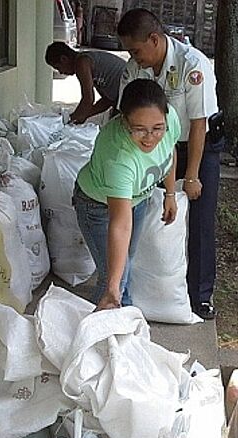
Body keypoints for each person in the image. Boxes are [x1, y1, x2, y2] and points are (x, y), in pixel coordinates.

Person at [116, 8, 223, 320]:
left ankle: (200, 296)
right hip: (158, 146)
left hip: (198, 145)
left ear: (154, 39)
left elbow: (199, 124)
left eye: (136, 50)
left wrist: (191, 176)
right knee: (150, 213)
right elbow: (125, 114)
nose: (133, 58)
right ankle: (144, 288)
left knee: (200, 220)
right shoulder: (135, 68)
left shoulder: (193, 65)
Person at [73, 79, 180, 310]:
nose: (150, 137)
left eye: (157, 128)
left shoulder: (170, 120)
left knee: (126, 262)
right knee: (113, 276)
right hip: (98, 206)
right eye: (139, 129)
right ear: (124, 121)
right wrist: (113, 288)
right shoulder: (118, 157)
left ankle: (122, 310)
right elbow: (120, 225)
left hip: (137, 199)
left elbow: (170, 151)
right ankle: (98, 332)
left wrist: (170, 194)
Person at [44, 42, 126, 124]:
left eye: (58, 67)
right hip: (122, 98)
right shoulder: (88, 63)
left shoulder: (82, 63)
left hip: (129, 96)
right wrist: (81, 116)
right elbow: (107, 100)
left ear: (64, 59)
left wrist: (71, 120)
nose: (61, 72)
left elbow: (88, 99)